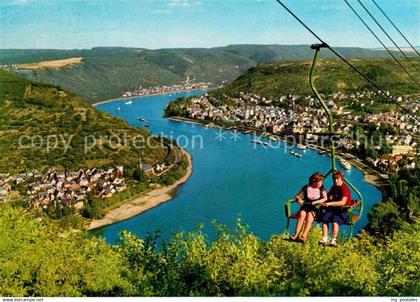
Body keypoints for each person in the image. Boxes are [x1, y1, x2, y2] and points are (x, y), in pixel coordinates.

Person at [290, 172, 327, 242]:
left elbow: (325, 198)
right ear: (315, 181)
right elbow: (297, 195)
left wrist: (316, 202)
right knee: (302, 214)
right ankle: (296, 234)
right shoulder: (306, 187)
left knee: (310, 215)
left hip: (315, 207)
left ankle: (304, 236)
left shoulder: (321, 188)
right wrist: (299, 199)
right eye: (320, 181)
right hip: (306, 206)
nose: (321, 183)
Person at [319, 170, 352, 247]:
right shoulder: (334, 187)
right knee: (325, 219)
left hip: (343, 210)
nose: (336, 181)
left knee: (335, 220)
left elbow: (343, 202)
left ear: (341, 179)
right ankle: (324, 238)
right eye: (334, 179)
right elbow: (328, 196)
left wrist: (330, 203)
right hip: (334, 209)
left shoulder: (344, 189)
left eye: (338, 179)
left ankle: (333, 239)